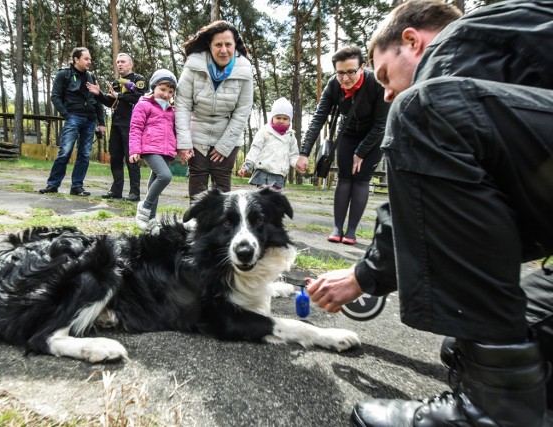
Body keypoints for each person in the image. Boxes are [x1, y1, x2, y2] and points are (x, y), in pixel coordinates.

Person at [306, 1, 553, 426]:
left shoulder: (464, 43)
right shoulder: (501, 66)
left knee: (422, 108)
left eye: (384, 75)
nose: (384, 92)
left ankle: (491, 415)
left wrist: (363, 277)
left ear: (412, 41)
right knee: (474, 350)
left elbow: (419, 196)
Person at [296, 46, 389, 245]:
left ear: (362, 67)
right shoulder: (334, 85)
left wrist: (361, 152)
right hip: (347, 134)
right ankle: (337, 227)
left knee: (361, 180)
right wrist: (304, 152)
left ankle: (352, 230)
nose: (345, 78)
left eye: (350, 72)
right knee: (345, 178)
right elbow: (318, 119)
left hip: (373, 136)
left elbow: (382, 124)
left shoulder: (376, 83)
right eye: (340, 73)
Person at [175, 20, 254, 203]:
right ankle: (196, 224)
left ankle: (221, 227)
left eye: (228, 44)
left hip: (227, 132)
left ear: (235, 45)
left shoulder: (245, 71)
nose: (223, 50)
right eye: (218, 44)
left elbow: (242, 111)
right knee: (198, 179)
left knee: (222, 185)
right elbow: (182, 105)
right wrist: (184, 142)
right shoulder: (193, 66)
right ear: (209, 46)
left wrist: (224, 145)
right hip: (197, 129)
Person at [40, 47, 106, 196]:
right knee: (65, 152)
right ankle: (52, 185)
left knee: (84, 155)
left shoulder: (91, 76)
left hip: (90, 120)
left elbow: (98, 101)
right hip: (73, 118)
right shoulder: (64, 75)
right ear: (76, 59)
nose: (89, 61)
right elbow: (55, 96)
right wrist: (66, 115)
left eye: (90, 59)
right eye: (86, 59)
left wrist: (101, 123)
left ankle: (77, 187)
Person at [87, 53, 147, 201]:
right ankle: (116, 191)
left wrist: (119, 96)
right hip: (116, 125)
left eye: (123, 62)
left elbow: (139, 97)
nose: (119, 64)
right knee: (115, 158)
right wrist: (98, 94)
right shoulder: (115, 83)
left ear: (130, 65)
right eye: (117, 62)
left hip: (132, 126)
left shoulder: (139, 79)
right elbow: (110, 102)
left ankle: (134, 193)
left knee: (131, 159)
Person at [128, 69, 178, 235]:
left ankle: (150, 221)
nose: (166, 94)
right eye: (162, 90)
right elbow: (135, 127)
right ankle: (145, 207)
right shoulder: (144, 104)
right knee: (165, 176)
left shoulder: (172, 110)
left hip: (166, 151)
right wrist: (134, 149)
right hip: (149, 148)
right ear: (154, 87)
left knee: (153, 184)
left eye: (170, 92)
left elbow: (175, 131)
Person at [237, 97, 299, 190]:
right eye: (278, 117)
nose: (281, 121)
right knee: (262, 199)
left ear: (289, 120)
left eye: (285, 118)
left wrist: (297, 164)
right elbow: (255, 149)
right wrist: (247, 166)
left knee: (275, 200)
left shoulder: (290, 136)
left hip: (279, 174)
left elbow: (293, 154)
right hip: (264, 172)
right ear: (272, 117)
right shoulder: (264, 131)